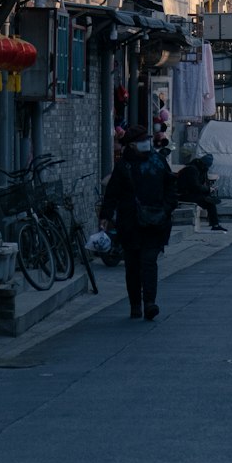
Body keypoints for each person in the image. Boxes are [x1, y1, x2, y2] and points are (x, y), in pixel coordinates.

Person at [99, 125, 177, 320]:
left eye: (147, 140)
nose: (146, 144)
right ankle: (135, 304)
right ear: (132, 145)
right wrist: (105, 216)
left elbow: (171, 186)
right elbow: (112, 194)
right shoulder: (124, 166)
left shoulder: (158, 161)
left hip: (156, 222)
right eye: (142, 141)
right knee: (132, 266)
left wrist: (167, 207)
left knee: (149, 262)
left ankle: (149, 303)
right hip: (130, 224)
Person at [175, 153, 227, 231]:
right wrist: (208, 189)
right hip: (184, 194)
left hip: (191, 193)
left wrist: (209, 189)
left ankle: (214, 223)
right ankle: (215, 225)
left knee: (210, 201)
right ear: (203, 164)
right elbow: (195, 186)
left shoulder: (200, 169)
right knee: (210, 203)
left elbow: (202, 184)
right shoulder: (192, 170)